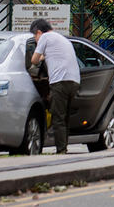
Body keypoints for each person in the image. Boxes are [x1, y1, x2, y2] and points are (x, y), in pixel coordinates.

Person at [30, 18, 80, 154]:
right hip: (74, 81)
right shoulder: (62, 39)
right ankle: (64, 146)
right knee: (65, 117)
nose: (35, 39)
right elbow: (48, 56)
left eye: (34, 36)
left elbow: (34, 60)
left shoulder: (45, 37)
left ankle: (61, 150)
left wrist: (36, 54)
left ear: (39, 32)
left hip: (60, 81)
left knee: (58, 117)